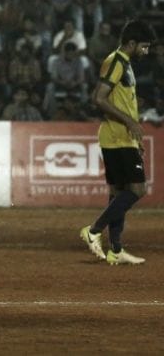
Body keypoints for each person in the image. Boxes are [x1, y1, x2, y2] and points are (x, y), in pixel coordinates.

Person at [80, 21, 157, 265]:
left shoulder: (125, 63)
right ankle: (93, 230)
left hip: (122, 137)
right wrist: (130, 122)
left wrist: (134, 131)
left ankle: (116, 249)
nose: (146, 51)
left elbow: (117, 99)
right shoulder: (116, 62)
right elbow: (98, 98)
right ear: (131, 43)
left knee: (118, 192)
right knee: (137, 190)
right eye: (144, 46)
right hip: (116, 136)